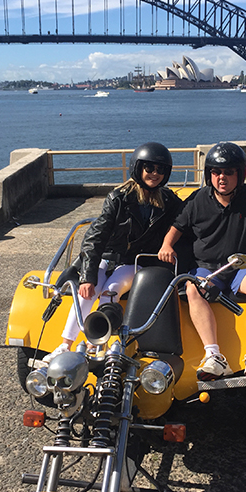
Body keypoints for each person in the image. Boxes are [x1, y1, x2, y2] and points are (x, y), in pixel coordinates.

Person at [158, 142, 246, 380]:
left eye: (229, 172)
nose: (222, 178)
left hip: (243, 266)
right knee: (192, 288)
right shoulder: (197, 200)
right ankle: (213, 355)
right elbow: (176, 227)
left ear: (241, 174)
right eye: (216, 172)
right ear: (209, 175)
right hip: (208, 269)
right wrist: (167, 245)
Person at [43, 142, 183, 362]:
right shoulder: (118, 197)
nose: (155, 174)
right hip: (106, 257)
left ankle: (95, 343)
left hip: (133, 261)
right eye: (149, 168)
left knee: (112, 290)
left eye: (160, 170)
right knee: (87, 289)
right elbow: (94, 238)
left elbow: (186, 218)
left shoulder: (168, 201)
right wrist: (87, 277)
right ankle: (65, 344)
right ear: (138, 168)